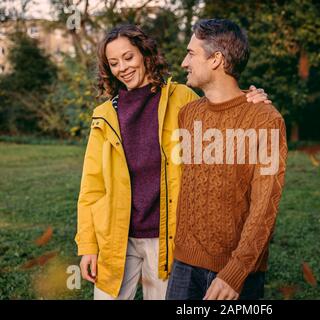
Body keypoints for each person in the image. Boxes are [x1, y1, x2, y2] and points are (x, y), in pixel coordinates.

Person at [75, 24, 270, 300]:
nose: (123, 68)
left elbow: (223, 109)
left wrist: (252, 98)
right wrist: (88, 246)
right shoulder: (104, 115)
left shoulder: (182, 98)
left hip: (168, 238)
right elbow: (91, 187)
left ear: (145, 54)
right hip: (116, 238)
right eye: (114, 63)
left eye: (128, 57)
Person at [165, 19, 288, 300]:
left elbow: (265, 206)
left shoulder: (265, 120)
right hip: (184, 266)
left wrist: (236, 272)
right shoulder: (189, 114)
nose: (184, 62)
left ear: (216, 59)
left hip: (236, 273)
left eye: (191, 53)